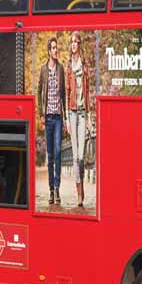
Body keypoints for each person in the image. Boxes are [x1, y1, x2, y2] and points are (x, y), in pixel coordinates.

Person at [37, 37, 66, 206]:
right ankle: (50, 190)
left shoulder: (61, 69)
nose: (56, 50)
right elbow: (39, 90)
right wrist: (41, 113)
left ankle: (57, 187)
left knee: (57, 153)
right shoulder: (43, 70)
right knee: (50, 155)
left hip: (58, 118)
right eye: (53, 48)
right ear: (49, 51)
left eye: (57, 47)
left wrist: (66, 116)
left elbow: (63, 94)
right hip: (48, 118)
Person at [65, 31, 91, 208]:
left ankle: (81, 183)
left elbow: (87, 92)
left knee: (81, 156)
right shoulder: (68, 66)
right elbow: (67, 92)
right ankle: (79, 193)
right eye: (72, 42)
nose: (74, 44)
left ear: (80, 45)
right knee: (74, 156)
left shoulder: (84, 65)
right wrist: (66, 117)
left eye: (76, 42)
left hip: (82, 113)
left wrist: (89, 116)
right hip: (72, 113)